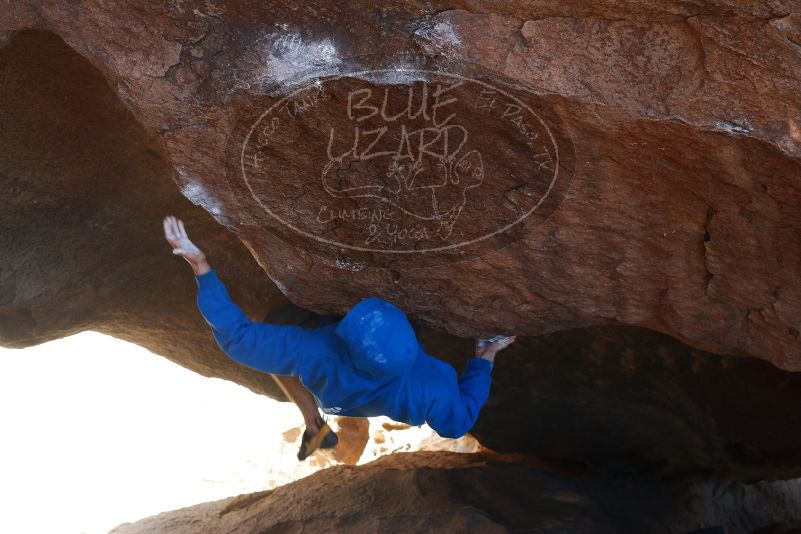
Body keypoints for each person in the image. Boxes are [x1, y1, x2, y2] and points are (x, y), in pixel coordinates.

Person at [162, 215, 516, 459]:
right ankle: (315, 421)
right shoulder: (429, 392)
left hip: (332, 389)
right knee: (290, 354)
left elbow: (238, 338)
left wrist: (202, 268)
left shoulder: (318, 350)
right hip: (356, 397)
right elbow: (460, 421)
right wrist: (485, 357)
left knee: (272, 326)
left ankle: (312, 419)